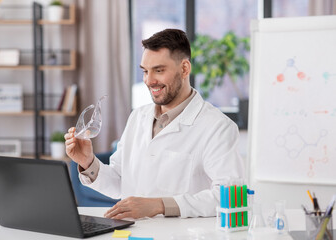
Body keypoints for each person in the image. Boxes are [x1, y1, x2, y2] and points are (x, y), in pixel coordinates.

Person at [65, 29, 244, 220]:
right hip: (132, 232)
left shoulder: (217, 127)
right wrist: (87, 161)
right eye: (145, 71)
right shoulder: (137, 117)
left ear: (184, 69)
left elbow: (231, 198)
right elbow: (119, 182)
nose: (149, 81)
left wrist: (160, 205)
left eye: (159, 70)